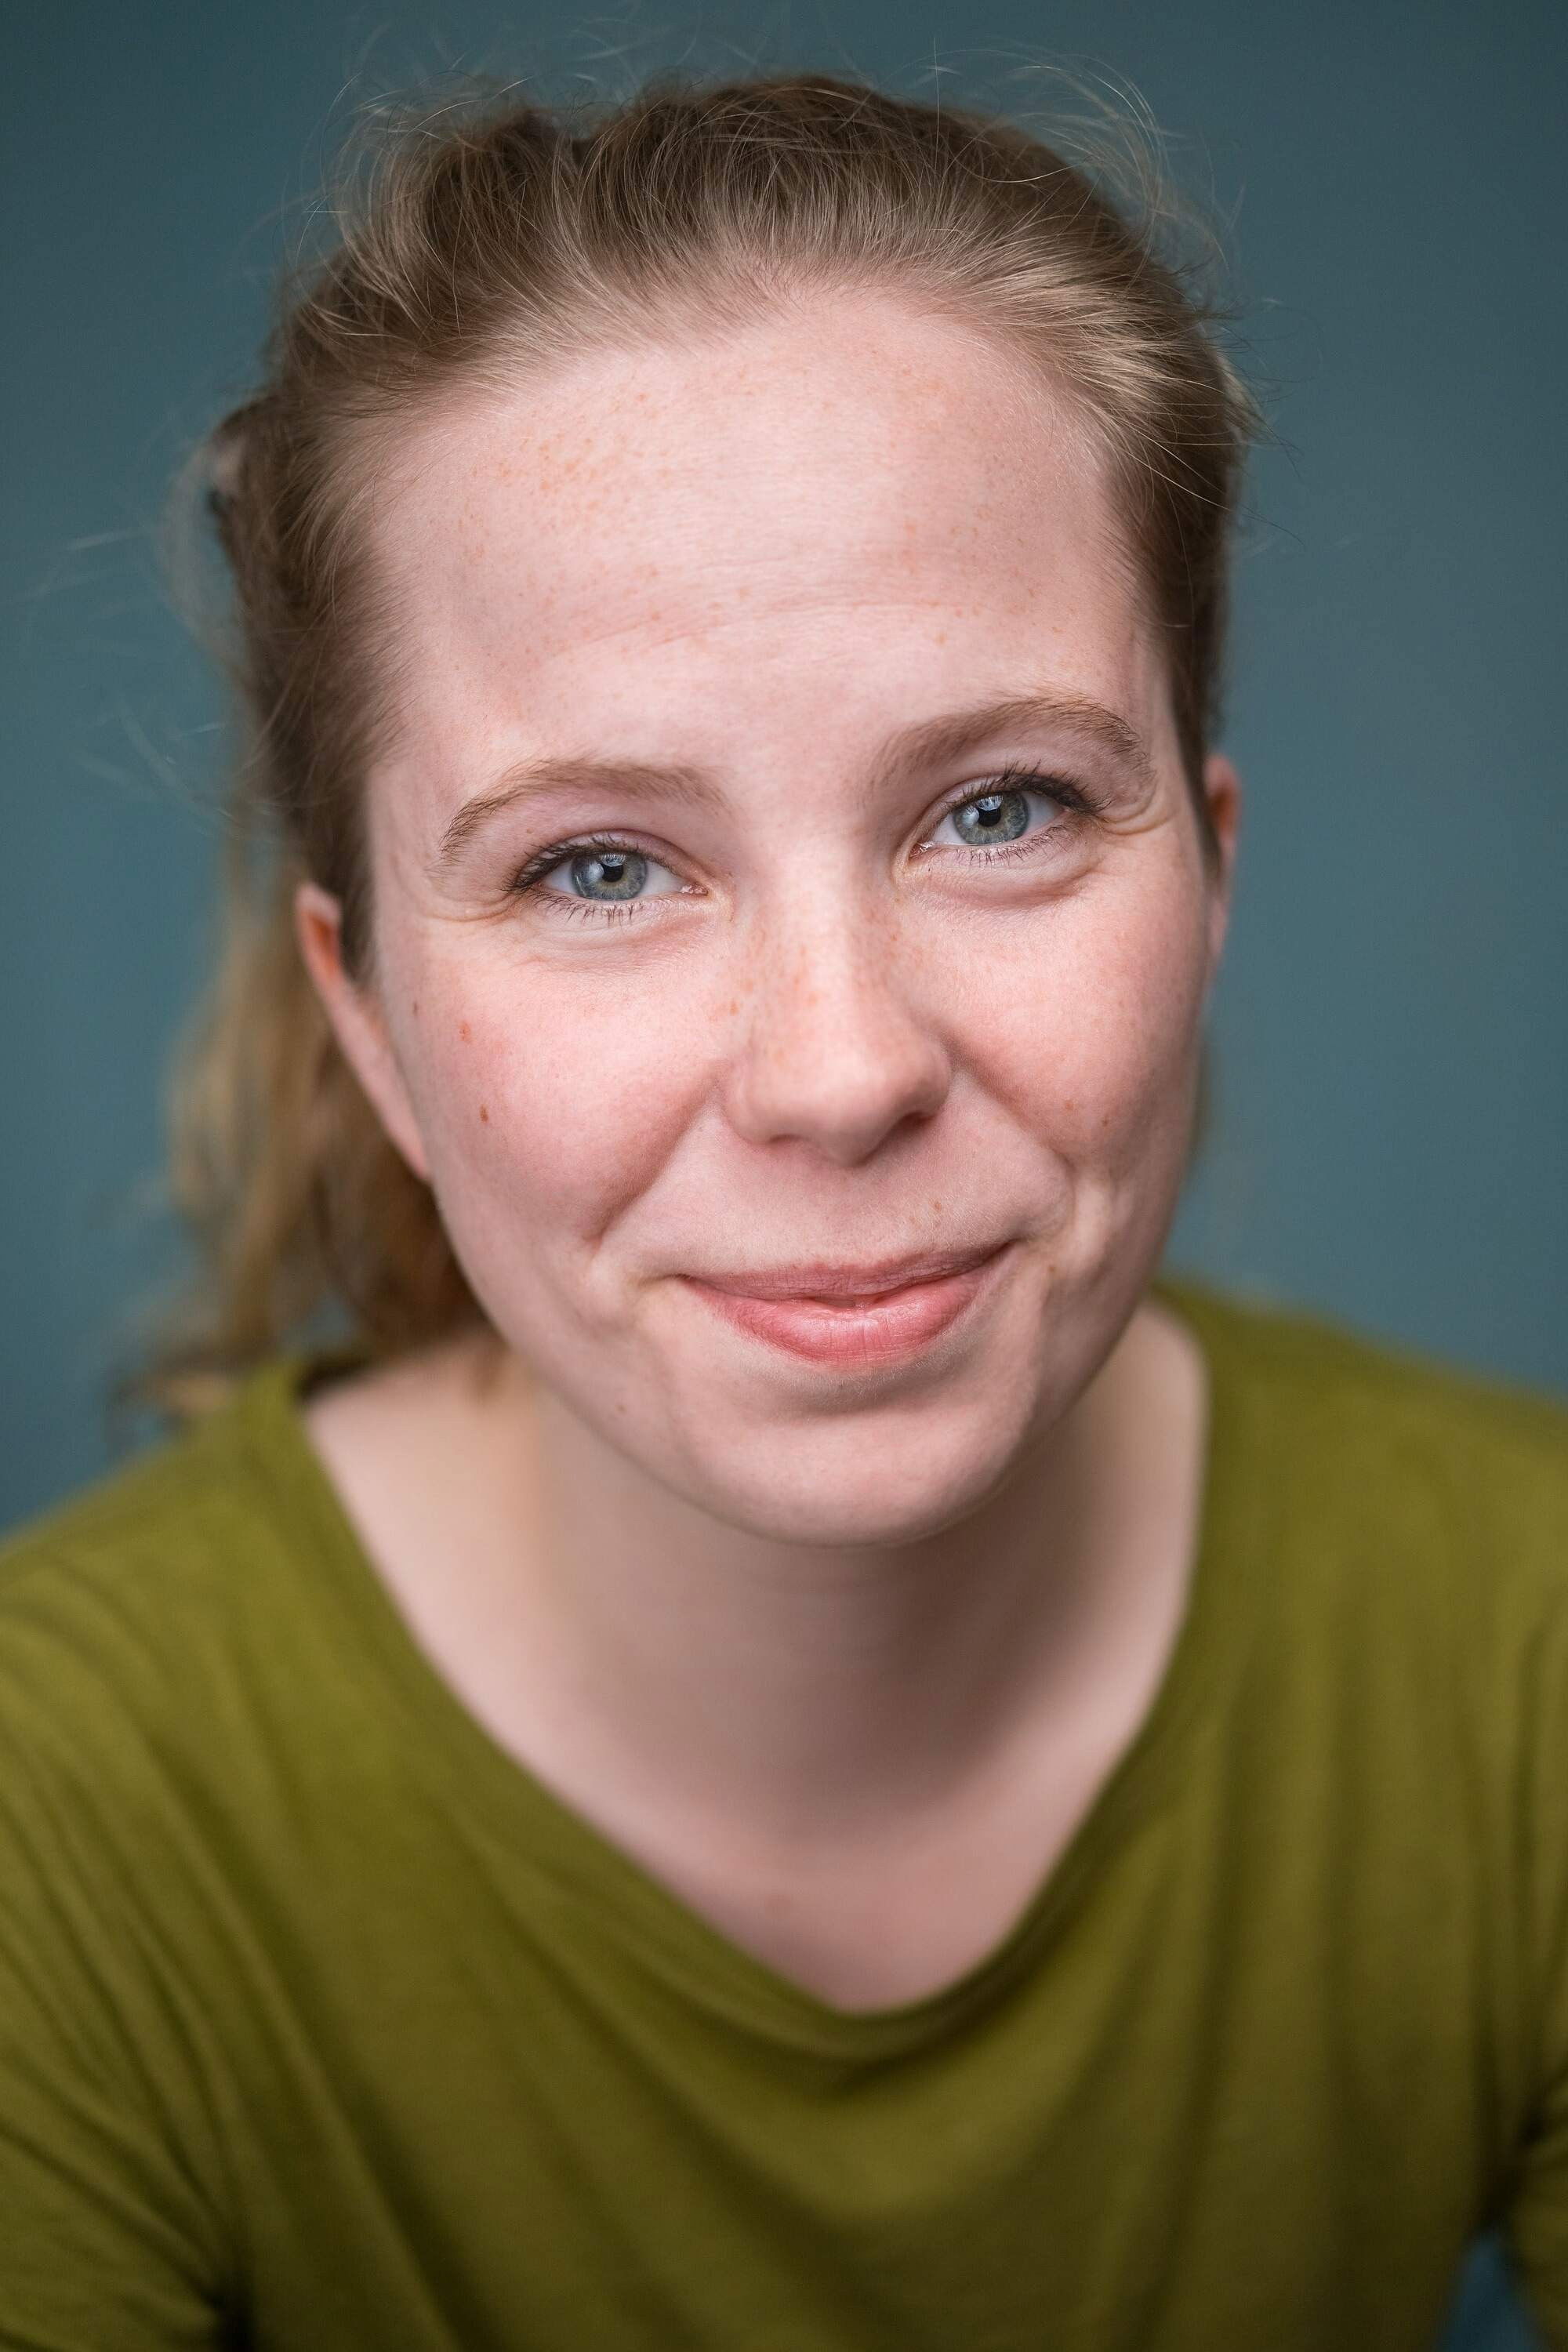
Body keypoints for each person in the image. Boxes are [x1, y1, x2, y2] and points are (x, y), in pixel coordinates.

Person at [2, 66, 1565, 2352]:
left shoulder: (1529, 1650)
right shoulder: (53, 1818)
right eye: (597, 868)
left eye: (1003, 810)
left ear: (1213, 877)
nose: (841, 1074)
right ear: (370, 1020)